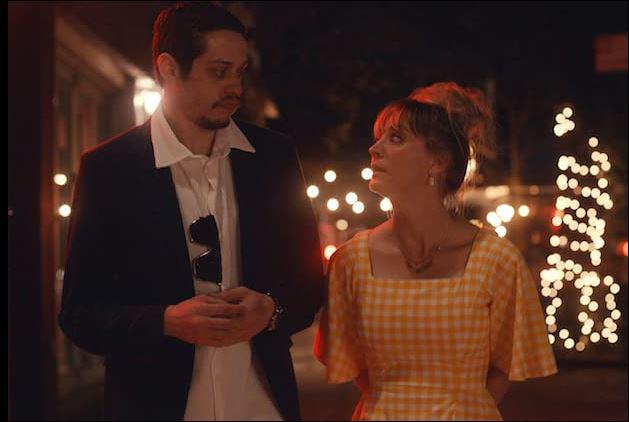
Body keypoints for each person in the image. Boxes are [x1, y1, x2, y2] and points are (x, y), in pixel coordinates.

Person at [59, 3, 323, 420]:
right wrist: (167, 321)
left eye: (240, 72)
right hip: (154, 405)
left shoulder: (274, 158)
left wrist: (270, 311)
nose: (235, 88)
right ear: (168, 68)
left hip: (261, 405)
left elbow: (308, 286)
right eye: (219, 71)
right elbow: (80, 315)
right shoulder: (109, 169)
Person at [314, 82, 557, 420]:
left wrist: (462, 407)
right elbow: (352, 365)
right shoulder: (351, 260)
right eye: (379, 138)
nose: (374, 149)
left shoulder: (496, 259)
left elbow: (505, 366)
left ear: (438, 162)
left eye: (395, 138)